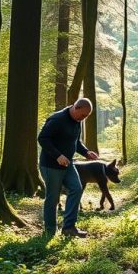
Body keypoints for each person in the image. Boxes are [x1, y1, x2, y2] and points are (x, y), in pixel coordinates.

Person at [38, 98, 99, 237]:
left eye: (87, 116)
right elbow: (43, 138)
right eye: (83, 115)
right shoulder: (57, 119)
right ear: (76, 108)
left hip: (68, 164)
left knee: (76, 189)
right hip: (51, 165)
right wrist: (58, 156)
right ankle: (49, 231)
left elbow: (76, 141)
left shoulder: (77, 121)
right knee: (53, 198)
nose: (84, 118)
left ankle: (69, 228)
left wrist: (86, 152)